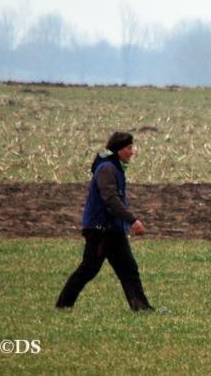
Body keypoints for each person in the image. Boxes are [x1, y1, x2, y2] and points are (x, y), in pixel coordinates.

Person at [56, 131, 154, 311]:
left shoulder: (114, 166)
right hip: (101, 230)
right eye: (129, 148)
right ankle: (63, 305)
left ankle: (142, 308)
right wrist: (133, 220)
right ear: (118, 150)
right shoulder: (107, 169)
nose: (132, 152)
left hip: (113, 229)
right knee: (89, 269)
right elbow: (110, 199)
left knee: (128, 269)